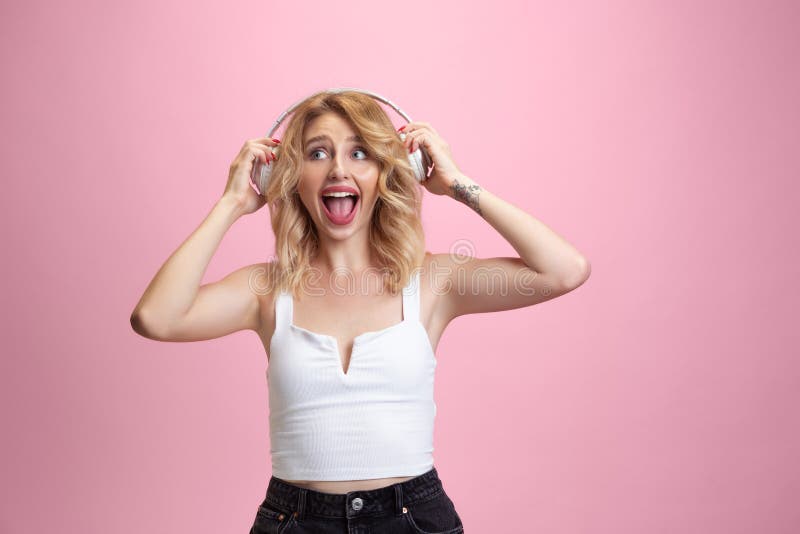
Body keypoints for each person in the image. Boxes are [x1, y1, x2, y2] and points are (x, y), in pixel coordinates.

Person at [130, 89, 591, 533]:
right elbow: (156, 317)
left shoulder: (433, 282)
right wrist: (231, 204)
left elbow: (564, 270)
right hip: (294, 521)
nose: (337, 170)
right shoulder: (265, 290)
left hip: (413, 518)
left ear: (388, 172)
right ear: (288, 177)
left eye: (359, 153)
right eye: (317, 153)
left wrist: (457, 185)